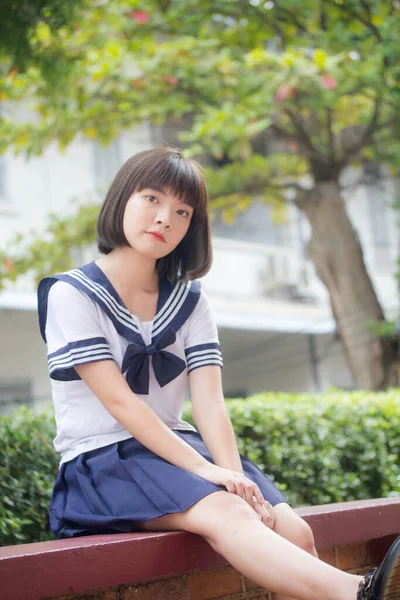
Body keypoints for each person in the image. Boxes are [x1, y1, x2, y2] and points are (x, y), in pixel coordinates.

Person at [37, 146, 400, 600]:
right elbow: (119, 402)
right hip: (104, 463)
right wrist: (207, 474)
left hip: (181, 453)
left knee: (294, 531)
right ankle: (361, 593)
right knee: (230, 515)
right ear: (121, 200)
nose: (165, 217)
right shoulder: (72, 294)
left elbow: (210, 402)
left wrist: (233, 475)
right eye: (152, 198)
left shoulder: (191, 301)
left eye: (182, 210)